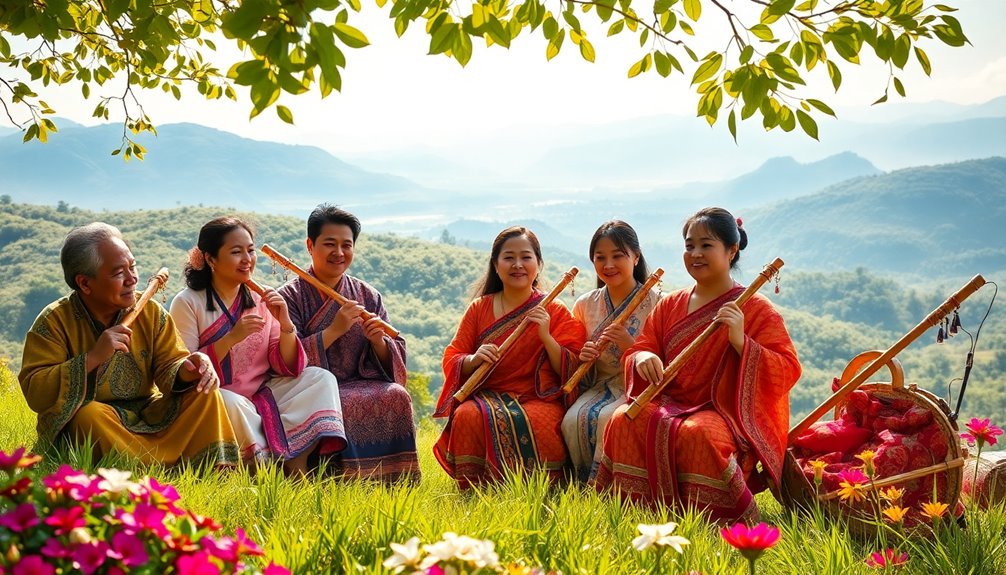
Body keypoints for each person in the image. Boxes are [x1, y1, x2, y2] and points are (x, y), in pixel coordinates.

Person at [595, 208, 801, 522]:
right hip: (667, 401)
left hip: (722, 411)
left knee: (698, 434)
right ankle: (633, 515)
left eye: (706, 245)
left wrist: (741, 342)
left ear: (731, 251)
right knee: (624, 419)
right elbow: (643, 346)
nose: (696, 254)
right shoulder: (671, 304)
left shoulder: (755, 307)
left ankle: (719, 523)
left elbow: (787, 368)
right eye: (690, 246)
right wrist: (643, 357)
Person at [18, 222, 239, 466]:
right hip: (101, 421)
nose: (132, 279)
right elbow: (35, 392)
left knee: (205, 393)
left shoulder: (151, 312)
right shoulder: (54, 321)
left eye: (132, 267)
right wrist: (93, 358)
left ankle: (205, 467)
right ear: (84, 283)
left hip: (149, 415)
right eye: (117, 273)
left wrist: (189, 368)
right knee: (87, 417)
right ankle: (158, 465)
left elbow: (170, 365)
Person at [169, 217, 346, 475]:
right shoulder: (187, 302)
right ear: (210, 259)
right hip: (214, 396)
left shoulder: (261, 296)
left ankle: (297, 463)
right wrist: (231, 338)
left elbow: (285, 364)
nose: (247, 259)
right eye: (236, 252)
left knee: (320, 378)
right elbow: (184, 367)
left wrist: (285, 323)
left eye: (250, 250)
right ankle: (265, 468)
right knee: (229, 402)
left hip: (262, 391)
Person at [433, 226, 586, 488]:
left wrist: (546, 336)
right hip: (486, 396)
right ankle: (476, 491)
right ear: (495, 264)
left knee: (541, 420)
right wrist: (474, 359)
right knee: (468, 415)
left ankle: (542, 491)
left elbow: (573, 369)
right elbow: (454, 357)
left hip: (538, 396)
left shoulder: (555, 310)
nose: (518, 265)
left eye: (526, 257)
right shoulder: (479, 308)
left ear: (538, 263)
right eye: (509, 257)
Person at [278, 204, 420, 482]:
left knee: (395, 395)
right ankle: (333, 479)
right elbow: (285, 360)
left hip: (362, 379)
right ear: (310, 245)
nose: (339, 253)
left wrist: (378, 341)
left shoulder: (367, 295)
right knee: (336, 400)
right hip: (312, 390)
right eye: (330, 244)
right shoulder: (289, 297)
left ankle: (394, 482)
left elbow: (395, 354)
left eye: (347, 245)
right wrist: (334, 330)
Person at [561, 221, 661, 483]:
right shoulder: (585, 304)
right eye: (600, 257)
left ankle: (607, 488)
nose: (608, 265)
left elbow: (664, 356)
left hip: (637, 386)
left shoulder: (657, 302)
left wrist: (631, 345)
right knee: (573, 420)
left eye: (618, 256)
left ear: (636, 257)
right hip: (599, 384)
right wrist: (584, 356)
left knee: (607, 418)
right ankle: (582, 485)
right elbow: (574, 358)